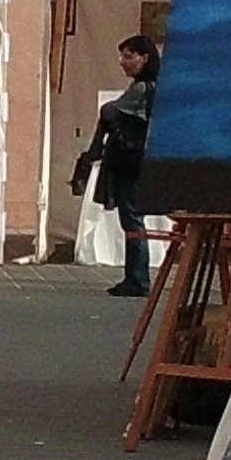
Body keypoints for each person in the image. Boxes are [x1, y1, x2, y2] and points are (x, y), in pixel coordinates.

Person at [70, 36, 161, 295]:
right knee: (132, 220)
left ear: (144, 58)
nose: (123, 62)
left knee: (132, 220)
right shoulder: (149, 87)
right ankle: (135, 277)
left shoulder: (143, 89)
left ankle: (138, 279)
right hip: (136, 161)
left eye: (128, 56)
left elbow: (111, 112)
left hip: (130, 162)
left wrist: (95, 148)